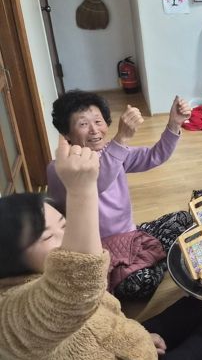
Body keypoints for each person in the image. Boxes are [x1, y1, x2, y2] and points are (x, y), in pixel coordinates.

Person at [0, 136, 202, 360]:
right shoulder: (11, 322)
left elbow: (97, 309)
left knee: (196, 305)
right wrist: (82, 191)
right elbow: (76, 285)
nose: (66, 239)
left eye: (65, 225)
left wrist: (140, 340)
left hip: (121, 345)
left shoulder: (39, 277)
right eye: (48, 236)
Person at [47, 90, 193, 299]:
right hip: (97, 250)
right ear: (66, 134)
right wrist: (121, 138)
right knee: (140, 283)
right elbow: (97, 183)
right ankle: (156, 262)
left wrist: (174, 124)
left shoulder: (112, 151)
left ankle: (151, 260)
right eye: (83, 124)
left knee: (184, 218)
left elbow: (155, 155)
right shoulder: (59, 168)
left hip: (129, 236)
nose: (94, 130)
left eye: (98, 121)